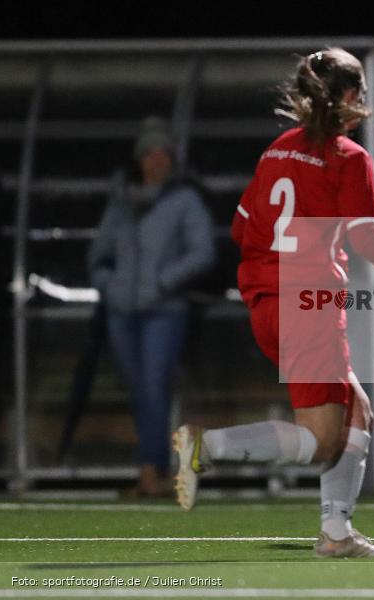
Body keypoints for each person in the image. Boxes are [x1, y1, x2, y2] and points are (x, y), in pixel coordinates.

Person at [172, 48, 374, 559]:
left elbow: (241, 228)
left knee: (358, 412)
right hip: (310, 307)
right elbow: (366, 239)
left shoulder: (277, 149)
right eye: (360, 93)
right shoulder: (349, 158)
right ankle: (207, 448)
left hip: (266, 305)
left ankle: (336, 535)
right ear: (349, 97)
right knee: (323, 438)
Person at [88, 116, 217, 497]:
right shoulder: (121, 201)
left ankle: (152, 470)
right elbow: (99, 251)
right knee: (139, 389)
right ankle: (152, 470)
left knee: (153, 386)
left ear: (172, 159)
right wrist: (108, 285)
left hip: (165, 309)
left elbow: (203, 252)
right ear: (139, 159)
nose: (156, 160)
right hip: (122, 311)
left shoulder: (185, 200)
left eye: (163, 153)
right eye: (149, 153)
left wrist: (164, 281)